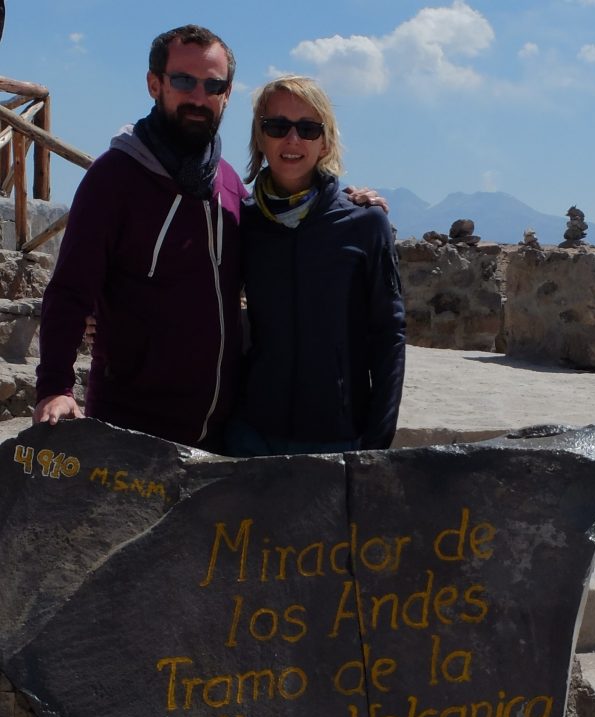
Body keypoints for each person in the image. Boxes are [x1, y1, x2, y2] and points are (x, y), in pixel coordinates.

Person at [33, 25, 386, 450]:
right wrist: (56, 387)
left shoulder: (231, 185)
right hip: (131, 426)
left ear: (227, 94)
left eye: (213, 84)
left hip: (224, 429)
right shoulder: (113, 178)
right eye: (184, 81)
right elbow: (70, 290)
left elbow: (294, 236)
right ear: (154, 84)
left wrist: (346, 201)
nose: (199, 97)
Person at [224, 75, 404, 456]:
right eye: (277, 126)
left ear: (326, 142)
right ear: (260, 136)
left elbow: (388, 332)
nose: (292, 140)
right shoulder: (242, 222)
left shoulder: (365, 223)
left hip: (337, 436)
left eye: (308, 128)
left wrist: (378, 438)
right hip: (250, 432)